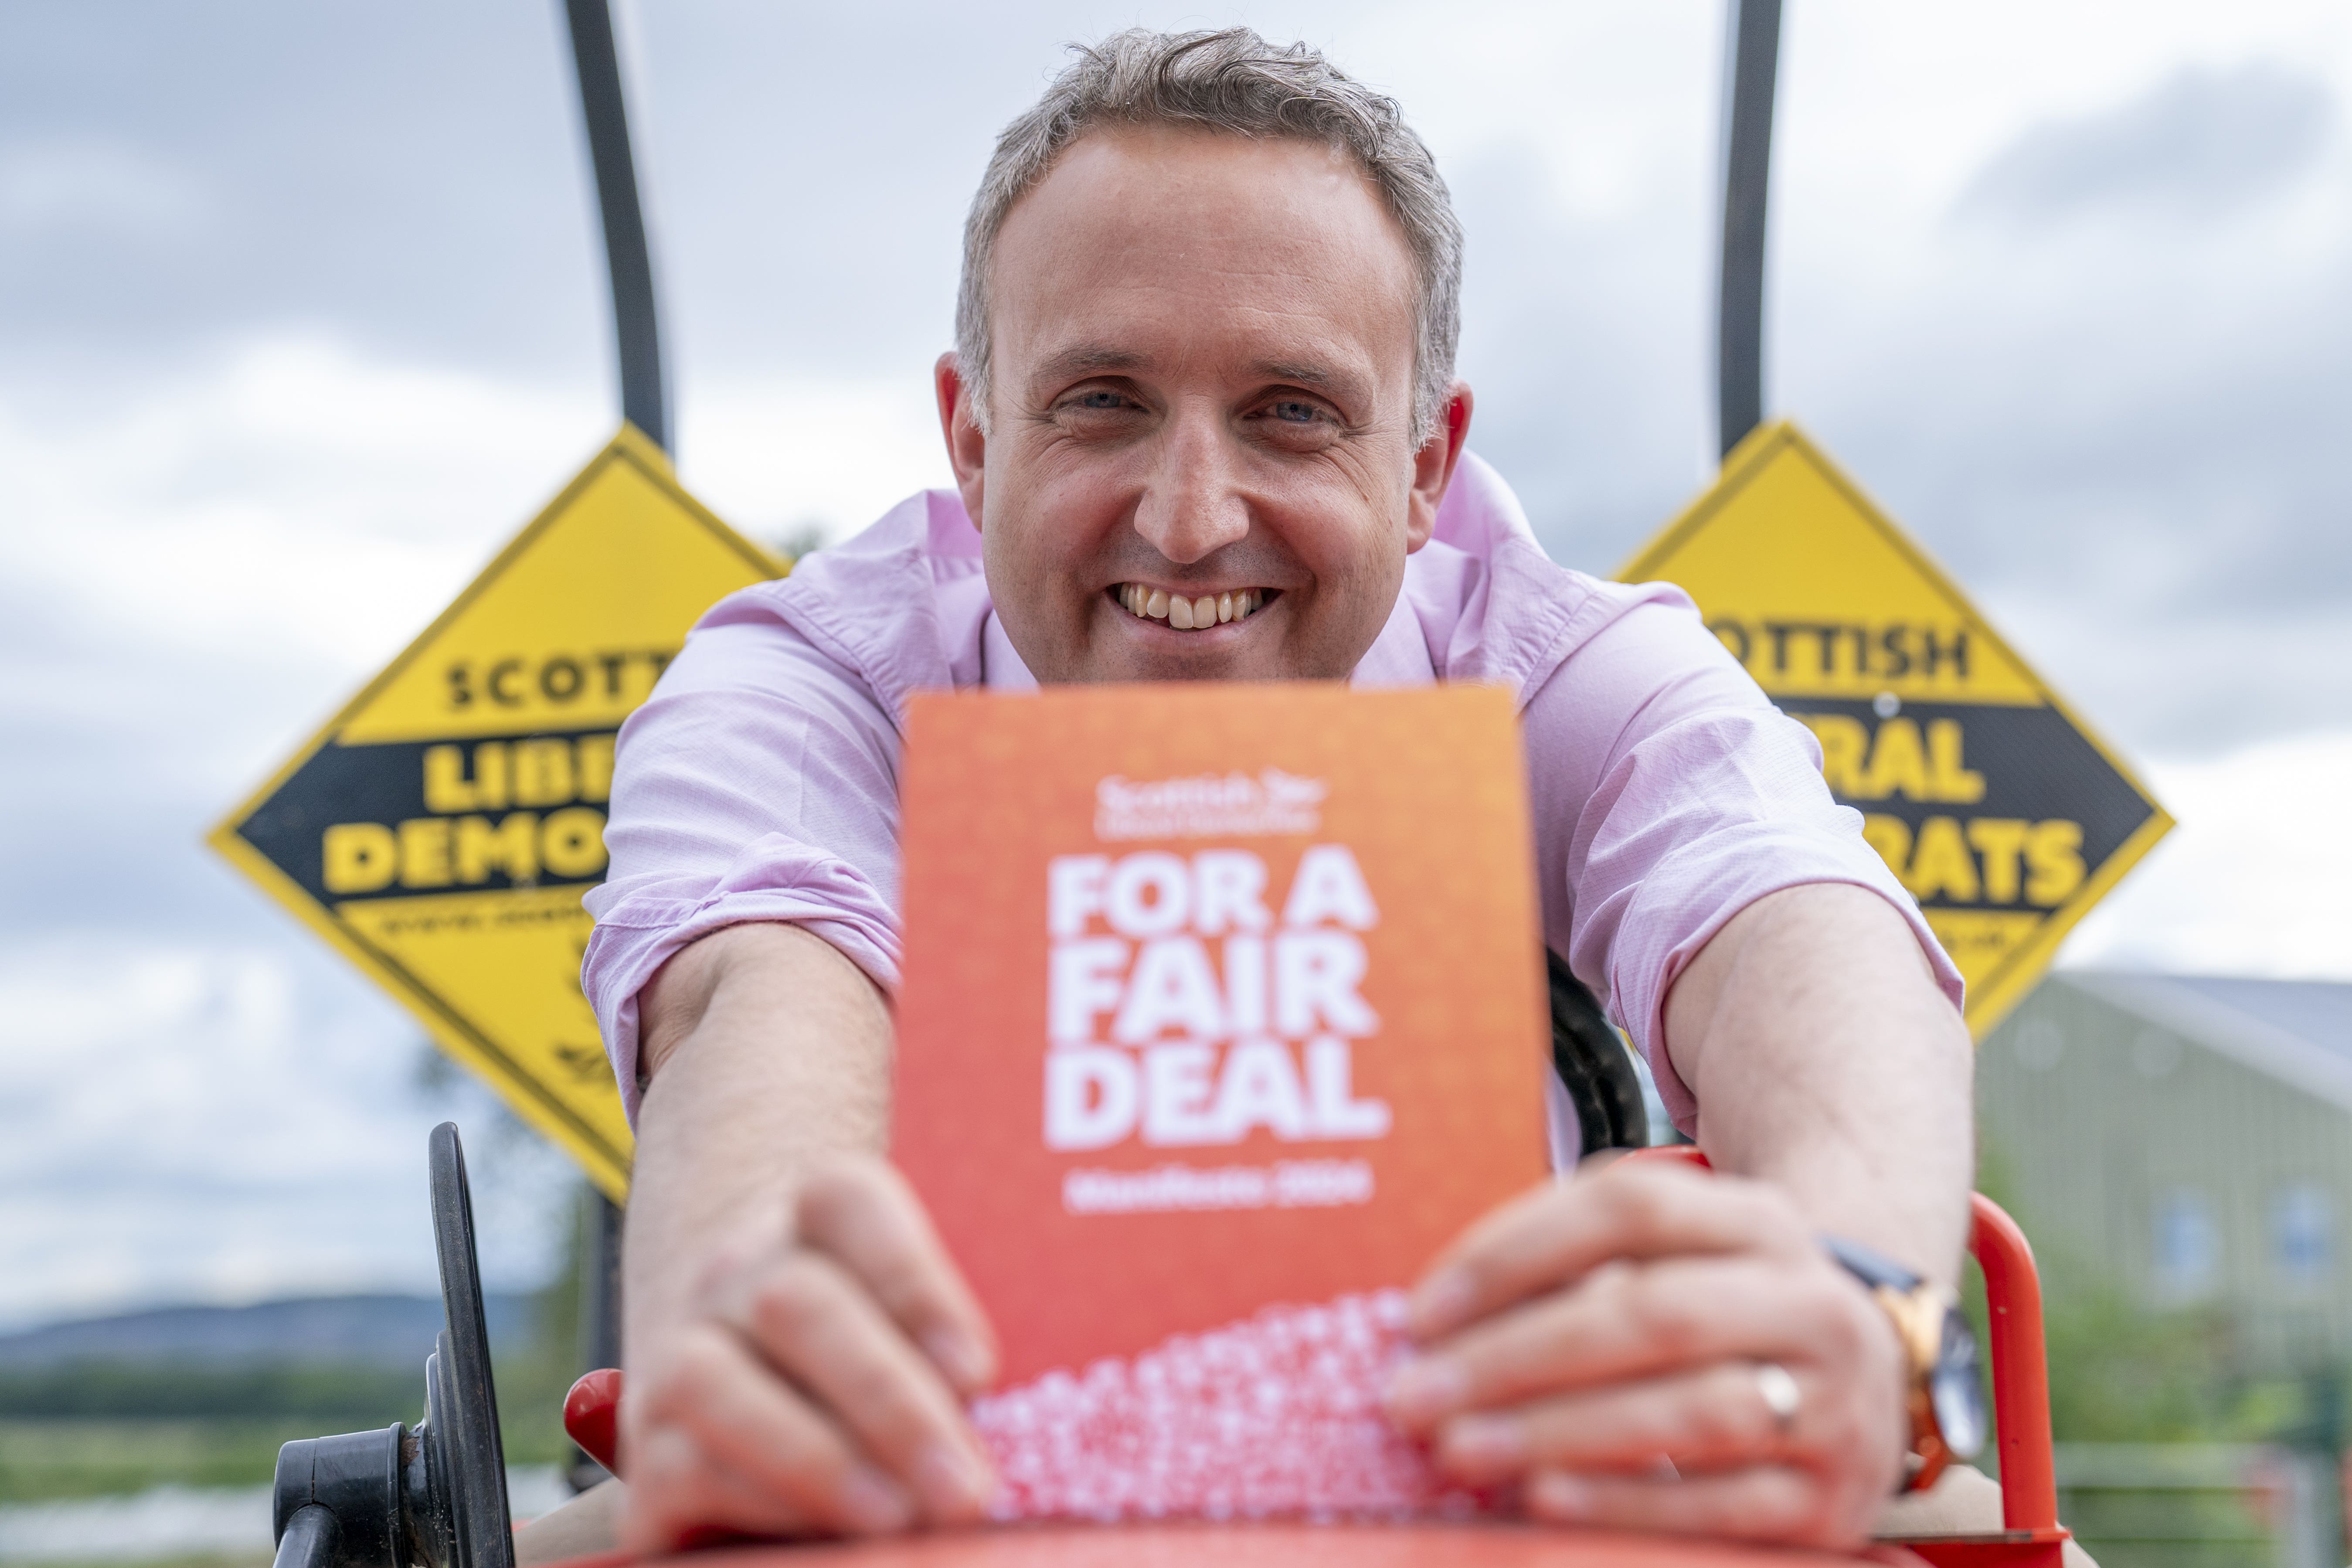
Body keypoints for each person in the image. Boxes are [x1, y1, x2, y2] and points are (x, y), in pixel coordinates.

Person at [563, 27, 1978, 1558]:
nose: (1187, 520)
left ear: (1427, 465)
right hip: (919, 1484)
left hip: (1501, 1467)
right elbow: (760, 985)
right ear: (973, 440)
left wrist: (1854, 1296)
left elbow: (1794, 913)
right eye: (1100, 401)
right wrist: (761, 1296)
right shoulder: (808, 681)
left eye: (1290, 411)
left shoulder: (1547, 655)